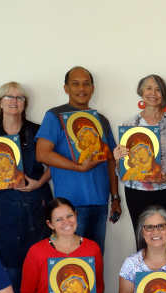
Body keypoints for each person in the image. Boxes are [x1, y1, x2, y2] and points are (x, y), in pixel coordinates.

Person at [0, 82, 53, 293]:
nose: (14, 100)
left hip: (36, 199)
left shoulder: (38, 130)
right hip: (4, 202)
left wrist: (38, 182)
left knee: (40, 255)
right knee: (10, 260)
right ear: (0, 102)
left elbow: (55, 161)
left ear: (25, 104)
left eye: (19, 97)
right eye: (9, 97)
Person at [35, 66, 120, 257]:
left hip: (100, 202)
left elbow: (110, 160)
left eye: (86, 83)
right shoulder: (54, 116)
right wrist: (77, 168)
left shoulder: (101, 120)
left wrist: (115, 198)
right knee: (71, 260)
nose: (81, 88)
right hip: (69, 206)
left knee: (96, 257)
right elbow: (42, 153)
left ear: (92, 88)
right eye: (75, 83)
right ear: (66, 88)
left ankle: (96, 289)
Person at [114, 75, 166, 239]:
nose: (153, 93)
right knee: (143, 238)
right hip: (137, 192)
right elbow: (122, 169)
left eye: (158, 89)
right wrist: (118, 160)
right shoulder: (129, 124)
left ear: (163, 94)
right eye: (149, 88)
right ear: (141, 91)